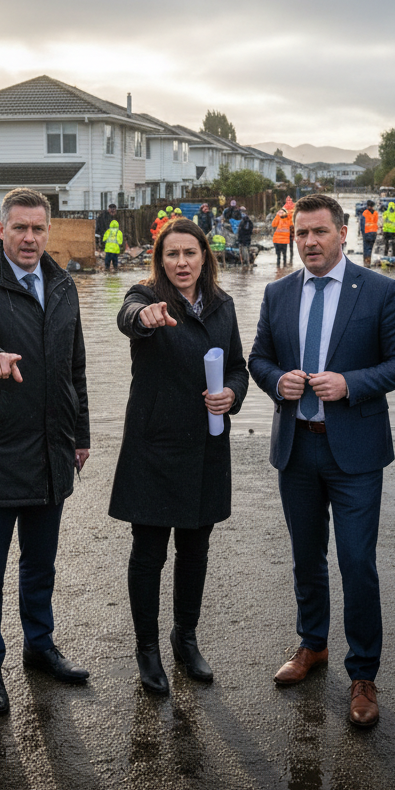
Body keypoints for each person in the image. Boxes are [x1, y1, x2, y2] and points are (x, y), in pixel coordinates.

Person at [248, 194, 395, 727]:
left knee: (357, 563)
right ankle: (312, 644)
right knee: (306, 556)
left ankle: (363, 673)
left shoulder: (379, 290)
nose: (309, 243)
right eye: (301, 234)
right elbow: (257, 358)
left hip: (355, 451)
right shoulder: (277, 293)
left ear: (343, 233)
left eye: (319, 232)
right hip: (297, 445)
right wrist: (278, 381)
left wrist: (352, 384)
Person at [0, 187, 91, 717]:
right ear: (0, 227)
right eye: (19, 227)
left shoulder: (62, 284)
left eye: (38, 228)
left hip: (52, 450)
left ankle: (40, 646)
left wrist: (81, 433)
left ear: (48, 232)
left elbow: (75, 368)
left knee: (41, 564)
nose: (29, 237)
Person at [109, 217, 248, 694]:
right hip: (154, 445)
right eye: (172, 254)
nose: (182, 262)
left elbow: (238, 367)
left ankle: (185, 639)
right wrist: (143, 319)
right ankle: (147, 649)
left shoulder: (223, 305)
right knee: (148, 553)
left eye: (190, 253)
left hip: (206, 443)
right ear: (160, 259)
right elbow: (128, 316)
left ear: (205, 256)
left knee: (195, 549)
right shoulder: (145, 297)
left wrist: (231, 393)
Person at [361, 200, 379, 266]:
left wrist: (362, 233)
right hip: (373, 233)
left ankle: (366, 263)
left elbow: (362, 224)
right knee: (370, 248)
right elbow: (376, 221)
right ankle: (369, 261)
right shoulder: (376, 213)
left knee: (366, 248)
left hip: (367, 233)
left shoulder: (365, 213)